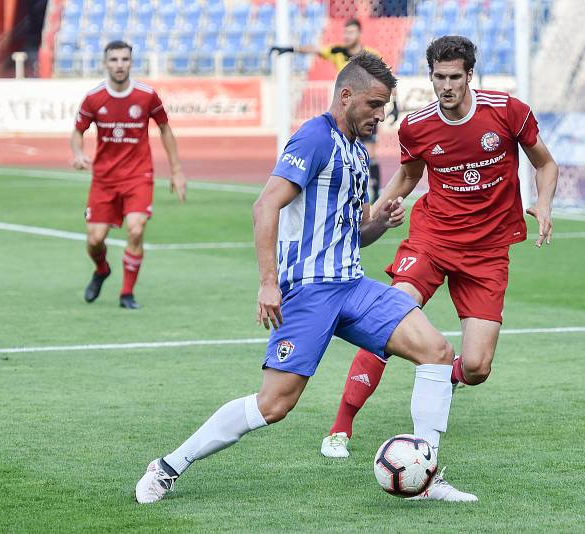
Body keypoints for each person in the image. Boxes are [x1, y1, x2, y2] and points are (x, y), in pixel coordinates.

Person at [135, 52, 477, 504]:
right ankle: (167, 467)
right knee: (273, 405)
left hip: (352, 286)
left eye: (386, 107)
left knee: (437, 352)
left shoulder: (356, 153)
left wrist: (381, 223)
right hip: (309, 291)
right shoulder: (315, 137)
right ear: (347, 95)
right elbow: (265, 205)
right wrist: (267, 282)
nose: (381, 115)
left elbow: (351, 235)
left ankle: (425, 475)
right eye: (375, 105)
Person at [319, 36, 560, 464]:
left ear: (470, 75)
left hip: (487, 251)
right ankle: (341, 426)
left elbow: (545, 162)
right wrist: (375, 210)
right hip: (433, 237)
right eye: (438, 77)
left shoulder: (507, 112)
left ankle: (443, 375)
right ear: (430, 75)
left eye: (454, 77)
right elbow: (409, 176)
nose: (446, 86)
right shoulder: (417, 125)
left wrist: (542, 203)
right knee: (389, 314)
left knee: (477, 369)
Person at [71, 40, 186, 309]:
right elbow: (78, 131)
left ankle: (126, 293)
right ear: (105, 63)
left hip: (138, 176)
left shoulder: (146, 95)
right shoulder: (94, 97)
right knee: (95, 240)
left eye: (124, 59)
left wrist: (177, 171)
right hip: (104, 179)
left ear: (131, 62)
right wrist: (78, 153)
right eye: (114, 60)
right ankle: (101, 270)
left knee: (136, 229)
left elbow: (165, 129)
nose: (119, 65)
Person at [270, 18, 393, 203]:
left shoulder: (370, 56)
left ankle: (373, 190)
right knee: (341, 147)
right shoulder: (337, 51)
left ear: (359, 34)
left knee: (369, 153)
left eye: (350, 32)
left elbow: (385, 78)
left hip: (365, 109)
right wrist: (290, 49)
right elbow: (315, 49)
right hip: (344, 110)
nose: (346, 36)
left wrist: (395, 102)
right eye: (345, 32)